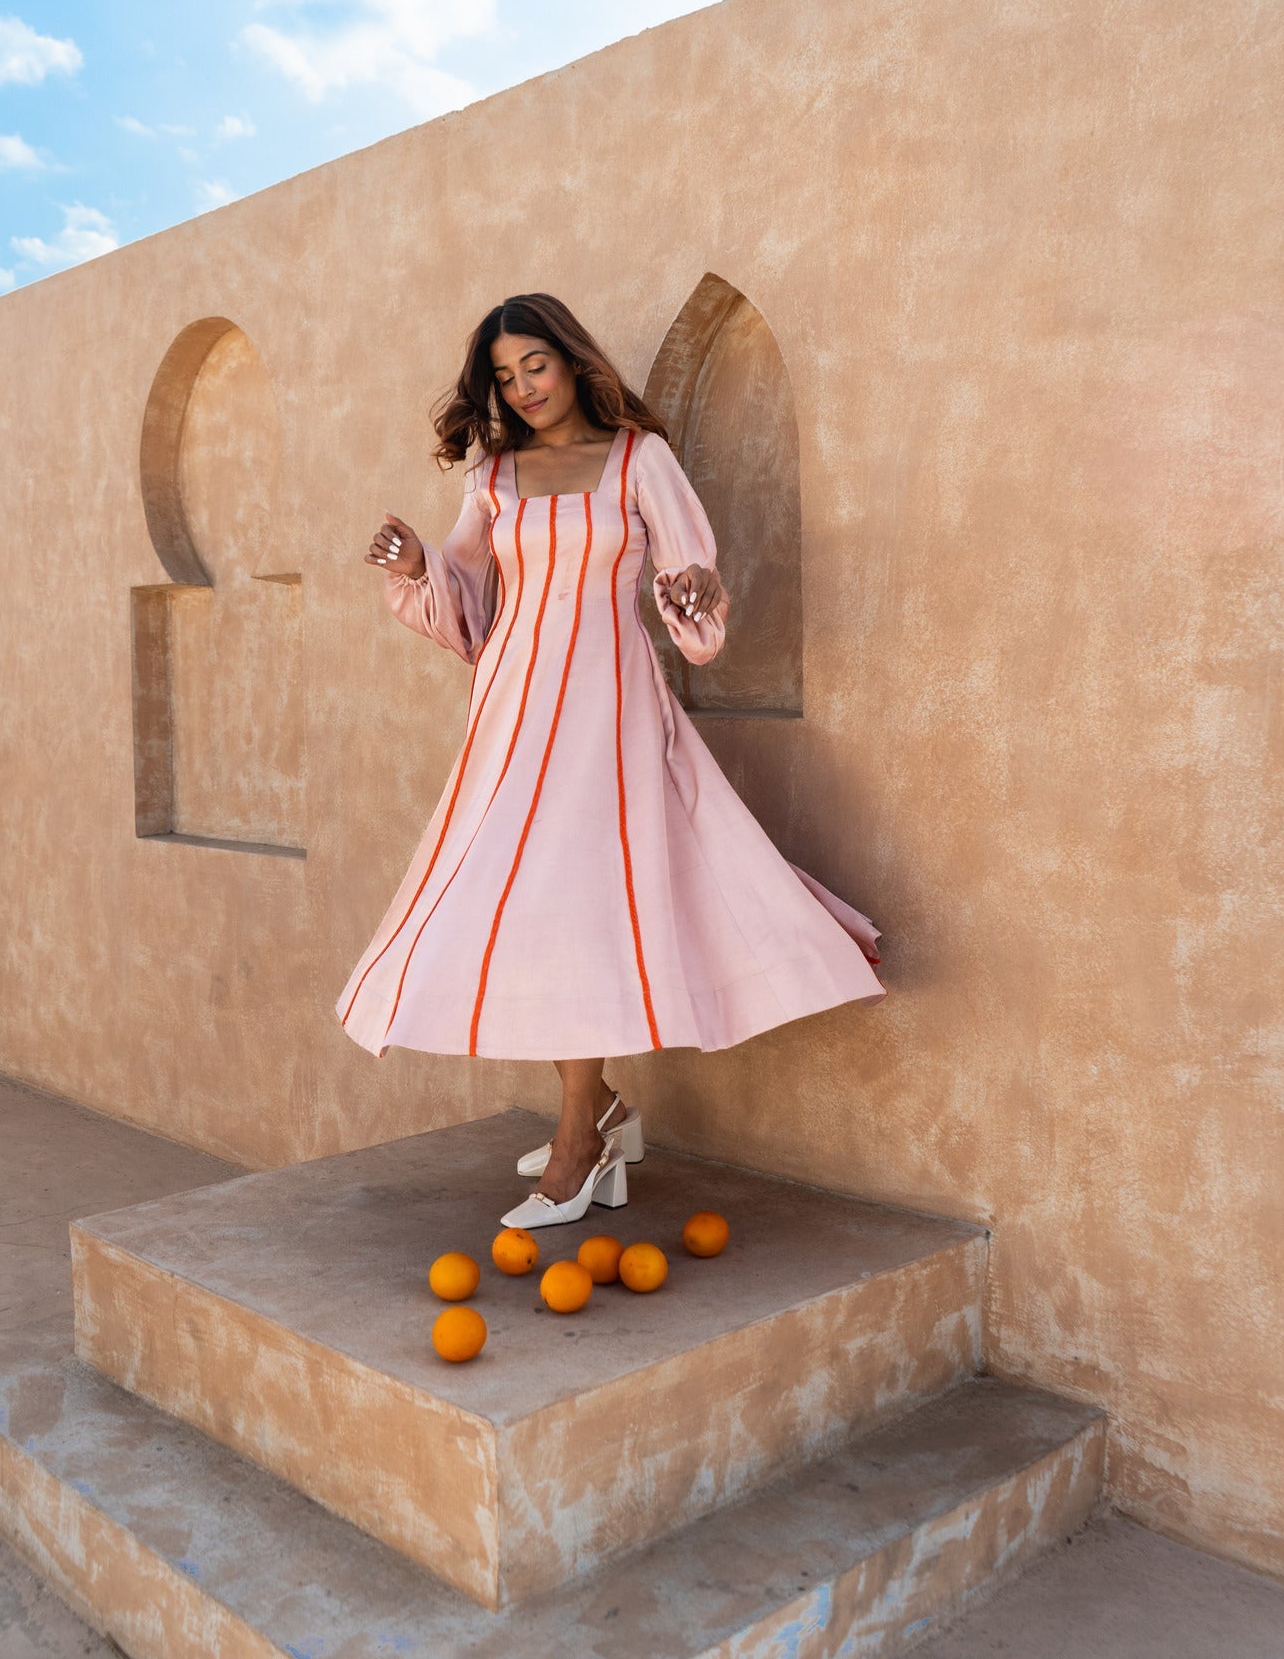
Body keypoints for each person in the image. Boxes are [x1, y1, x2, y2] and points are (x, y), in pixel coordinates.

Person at [337, 294, 884, 1229]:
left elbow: (691, 598)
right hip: (509, 711)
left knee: (582, 900)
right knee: (523, 898)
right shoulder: (494, 476)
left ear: (569, 358)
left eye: (533, 367)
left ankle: (579, 1143)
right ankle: (599, 1110)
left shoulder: (641, 459)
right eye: (504, 378)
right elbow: (466, 603)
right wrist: (415, 561)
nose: (522, 389)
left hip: (607, 704)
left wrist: (696, 593)